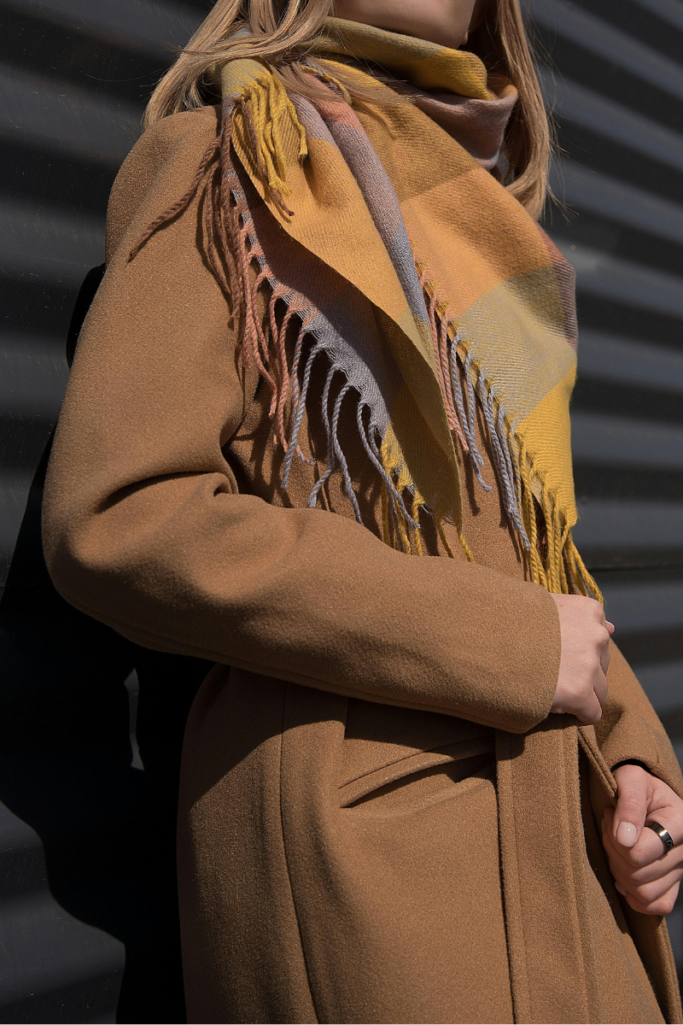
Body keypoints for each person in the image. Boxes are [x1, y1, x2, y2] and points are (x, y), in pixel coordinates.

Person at [41, 0, 683, 1021]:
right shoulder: (226, 161)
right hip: (364, 848)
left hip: (561, 818)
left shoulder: (479, 214)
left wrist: (633, 748)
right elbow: (120, 515)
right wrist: (506, 641)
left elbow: (519, 537)